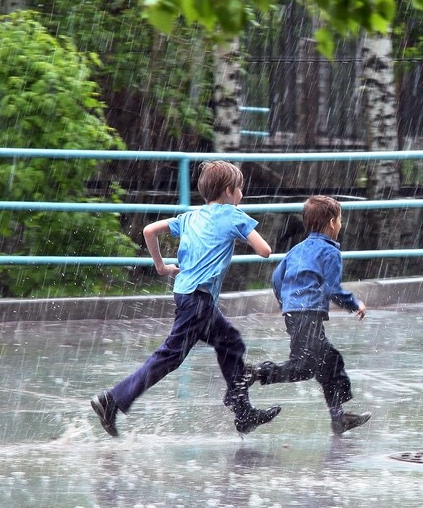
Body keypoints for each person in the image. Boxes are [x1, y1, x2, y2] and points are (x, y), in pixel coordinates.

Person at [90, 160, 281, 437]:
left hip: (187, 294)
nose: (242, 195)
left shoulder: (191, 217)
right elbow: (265, 250)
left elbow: (149, 230)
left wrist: (160, 267)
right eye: (240, 189)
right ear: (229, 191)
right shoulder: (233, 215)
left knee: (231, 342)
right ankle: (113, 399)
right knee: (170, 356)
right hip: (198, 301)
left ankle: (242, 411)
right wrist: (237, 232)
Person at [247, 195, 371, 436]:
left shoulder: (297, 250)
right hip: (308, 313)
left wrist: (288, 303)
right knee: (304, 367)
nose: (341, 225)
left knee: (328, 362)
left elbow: (276, 279)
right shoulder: (330, 252)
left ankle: (339, 417)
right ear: (333, 222)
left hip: (295, 313)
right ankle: (256, 373)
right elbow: (333, 289)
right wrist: (355, 303)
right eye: (341, 220)